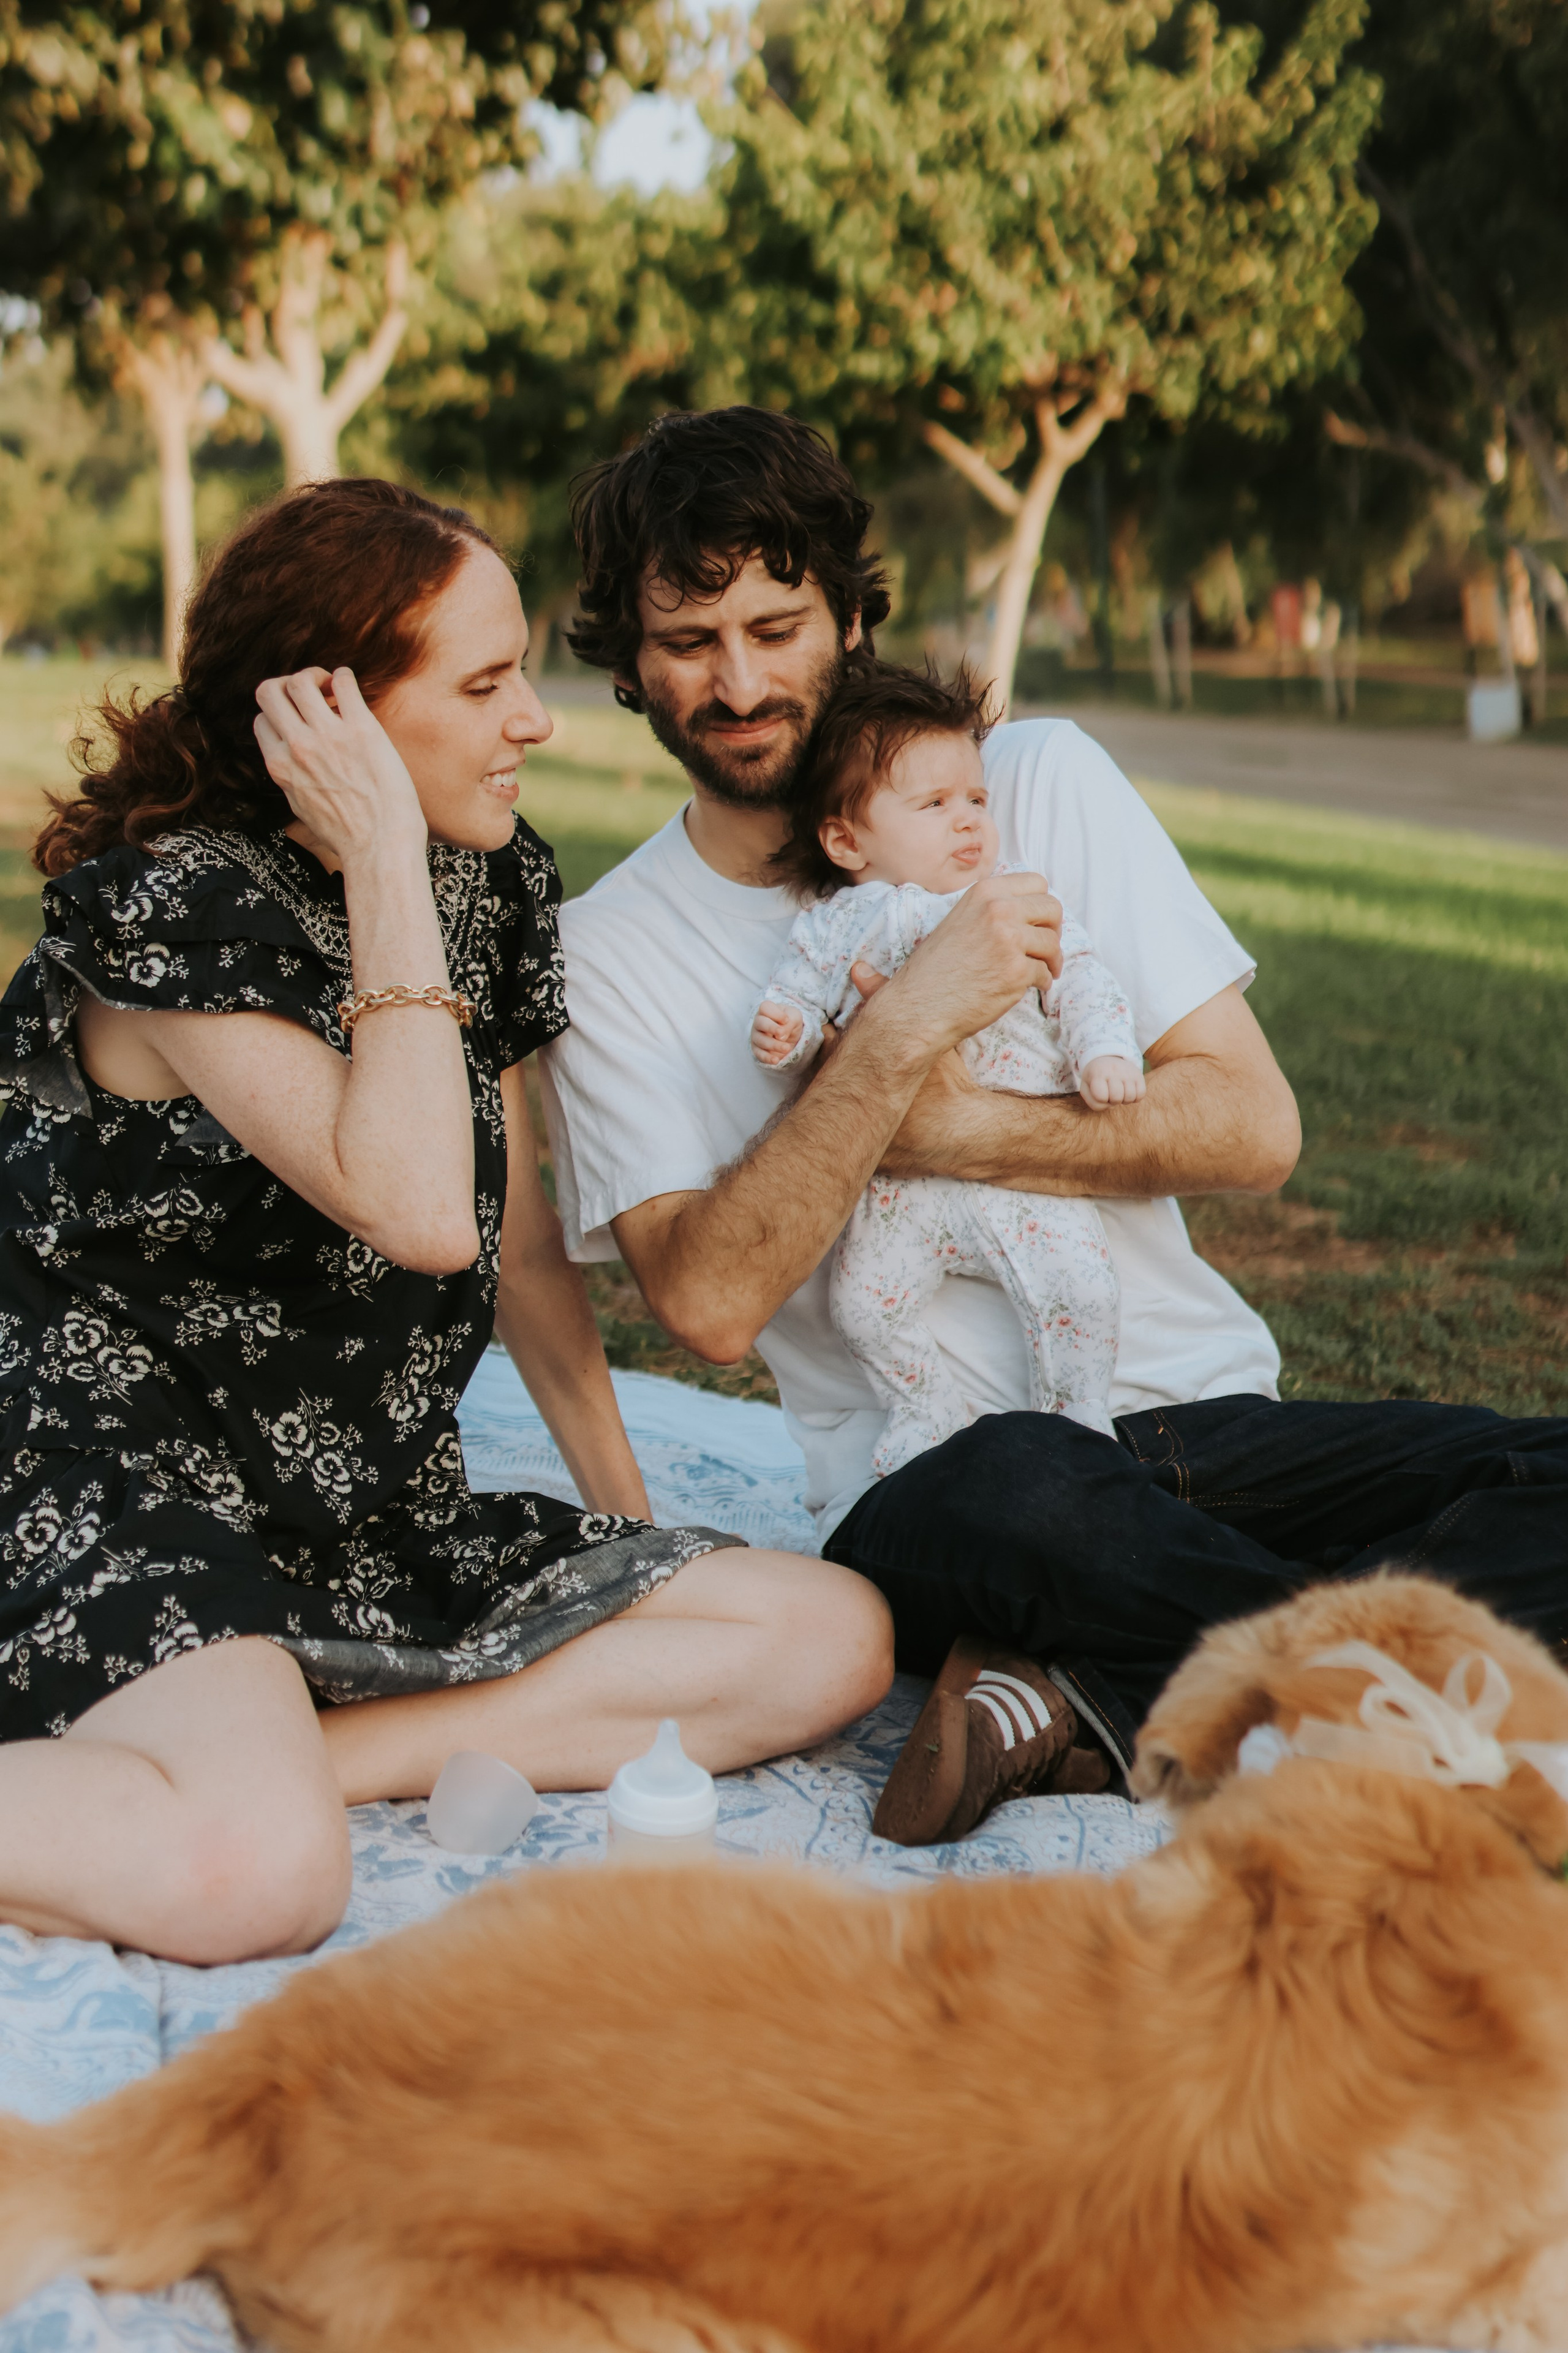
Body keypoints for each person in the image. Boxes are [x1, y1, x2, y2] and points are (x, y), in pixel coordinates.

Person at [540, 404, 1568, 1846]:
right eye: (686, 642)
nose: (737, 679)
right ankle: (1390, 1695)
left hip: (1200, 1418)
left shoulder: (1032, 783)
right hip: (941, 1480)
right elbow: (706, 1301)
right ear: (628, 668)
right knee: (1031, 1478)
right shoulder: (611, 951)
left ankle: (1088, 1688)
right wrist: (902, 1027)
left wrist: (950, 1127)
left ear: (847, 612)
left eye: (776, 626)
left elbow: (1249, 1125)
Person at [0, 477, 892, 1963]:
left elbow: (505, 1230)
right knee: (260, 1875)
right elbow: (414, 1208)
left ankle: (310, 1746)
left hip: (352, 1497)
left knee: (827, 1638)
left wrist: (626, 1510)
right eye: (483, 685)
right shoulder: (174, 906)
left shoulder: (487, 882)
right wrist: (385, 866)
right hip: (110, 1475)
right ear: (329, 717)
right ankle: (245, 1773)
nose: (533, 719)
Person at [751, 660, 1140, 1483]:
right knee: (861, 1306)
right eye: (933, 806)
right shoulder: (840, 925)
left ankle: (1078, 1415)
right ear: (845, 840)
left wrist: (1104, 1048)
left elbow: (1081, 975)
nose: (967, 823)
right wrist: (784, 1033)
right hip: (901, 1189)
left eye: (975, 801)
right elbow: (800, 1008)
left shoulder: (1008, 899)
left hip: (1017, 1169)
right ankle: (923, 1406)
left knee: (1080, 1289)